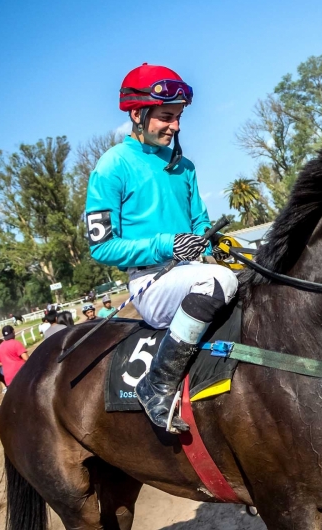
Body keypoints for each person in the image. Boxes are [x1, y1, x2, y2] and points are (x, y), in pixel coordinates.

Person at [85, 63, 237, 433]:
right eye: (167, 117)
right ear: (137, 114)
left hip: (192, 272)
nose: (176, 126)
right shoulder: (111, 167)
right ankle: (157, 384)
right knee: (220, 283)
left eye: (179, 117)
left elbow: (199, 222)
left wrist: (218, 242)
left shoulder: (184, 166)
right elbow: (101, 247)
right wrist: (166, 244)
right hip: (152, 283)